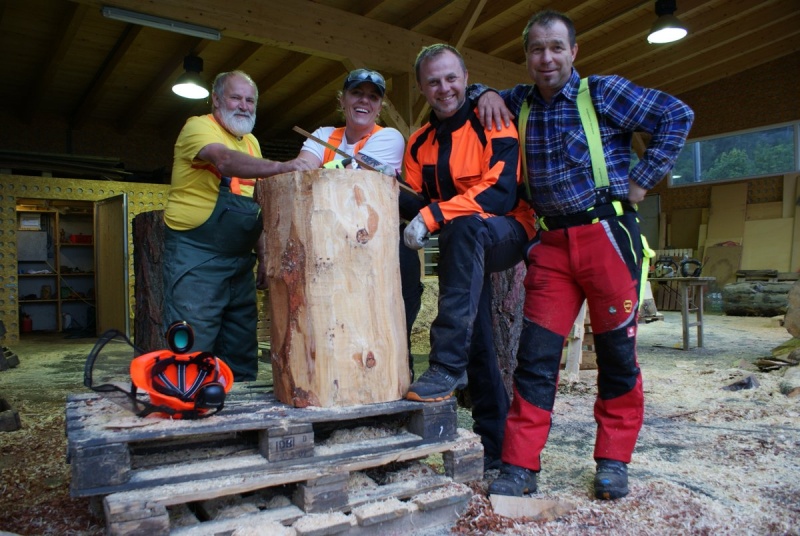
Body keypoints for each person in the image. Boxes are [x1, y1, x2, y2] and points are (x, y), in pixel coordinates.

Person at [473, 10, 695, 499]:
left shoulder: (603, 93)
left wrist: (642, 180)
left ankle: (613, 461)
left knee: (617, 356)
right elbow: (469, 98)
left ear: (573, 51)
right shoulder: (517, 102)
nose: (546, 58)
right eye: (536, 49)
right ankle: (520, 465)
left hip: (607, 237)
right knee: (535, 359)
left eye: (556, 47)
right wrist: (483, 91)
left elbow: (677, 115)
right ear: (526, 56)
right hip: (551, 245)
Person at [402, 44, 537, 471]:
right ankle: (497, 446)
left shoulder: (492, 120)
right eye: (433, 82)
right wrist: (381, 186)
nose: (444, 88)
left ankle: (445, 364)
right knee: (476, 335)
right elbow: (413, 199)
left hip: (507, 228)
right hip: (461, 244)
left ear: (465, 78)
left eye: (451, 78)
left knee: (463, 227)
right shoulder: (418, 142)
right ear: (422, 88)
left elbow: (500, 191)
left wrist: (434, 215)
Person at [163, 70, 316, 382]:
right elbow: (223, 160)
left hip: (239, 260)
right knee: (193, 338)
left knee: (240, 341)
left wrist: (263, 254)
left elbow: (251, 202)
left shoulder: (251, 143)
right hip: (197, 256)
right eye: (236, 98)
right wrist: (282, 167)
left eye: (250, 100)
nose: (244, 106)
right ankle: (189, 400)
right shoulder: (199, 127)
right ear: (217, 100)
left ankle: (240, 402)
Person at [290, 68, 423, 379]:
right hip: (331, 246)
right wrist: (331, 170)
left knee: (392, 323)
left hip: (380, 246)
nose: (364, 101)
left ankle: (399, 379)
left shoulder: (388, 137)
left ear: (380, 107)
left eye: (373, 97)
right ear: (342, 100)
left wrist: (322, 172)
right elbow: (300, 171)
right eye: (357, 93)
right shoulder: (324, 134)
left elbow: (350, 180)